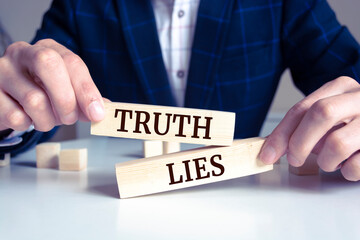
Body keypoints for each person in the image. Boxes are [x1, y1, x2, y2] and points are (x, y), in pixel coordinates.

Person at [1, 0, 360, 181]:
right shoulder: (81, 5)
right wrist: (10, 114)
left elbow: (351, 71)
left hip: (245, 210)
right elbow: (33, 96)